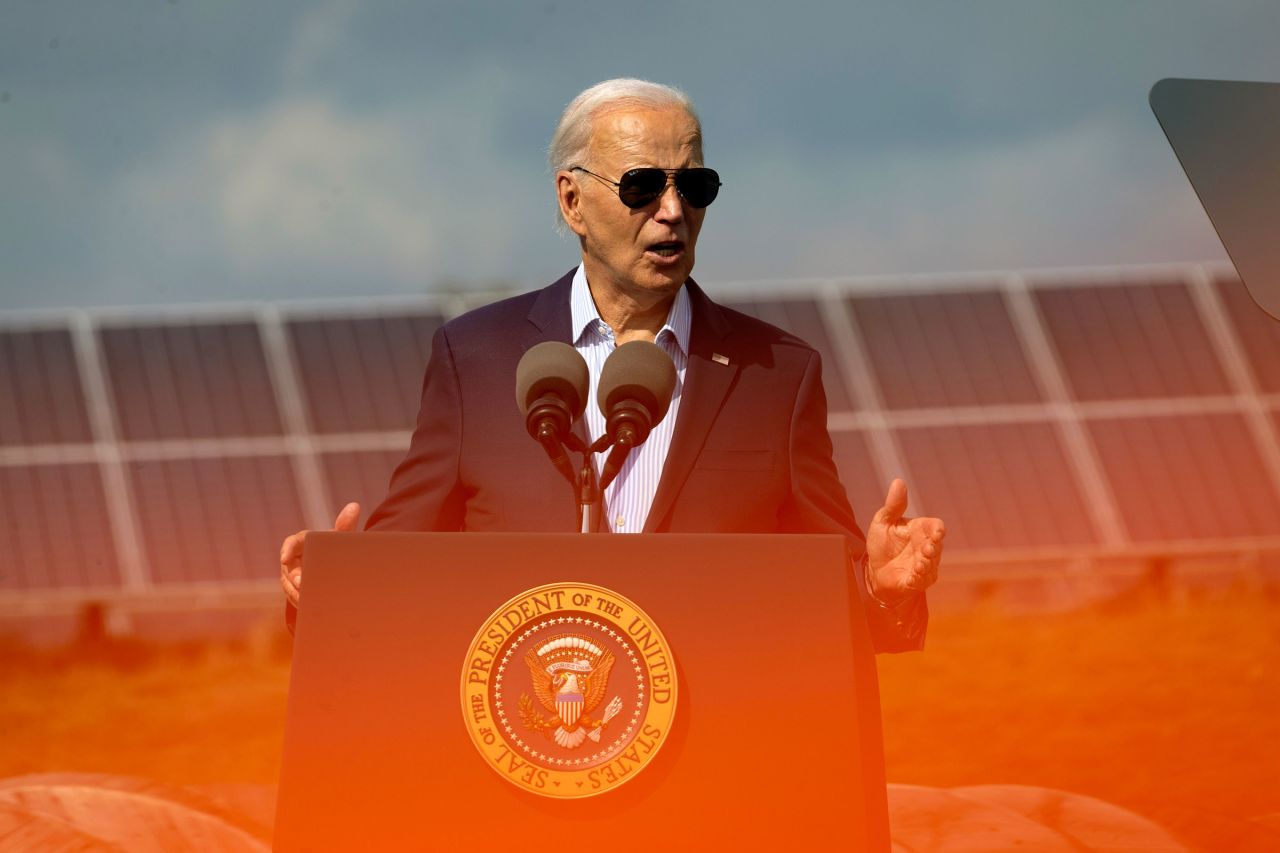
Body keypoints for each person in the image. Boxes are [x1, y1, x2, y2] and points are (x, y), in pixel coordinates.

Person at [280, 78, 944, 651]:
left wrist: (881, 590)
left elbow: (830, 600)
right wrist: (333, 592)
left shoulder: (775, 375)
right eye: (643, 186)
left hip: (709, 764)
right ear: (572, 200)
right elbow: (401, 571)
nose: (674, 210)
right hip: (518, 761)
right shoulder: (474, 358)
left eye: (695, 185)